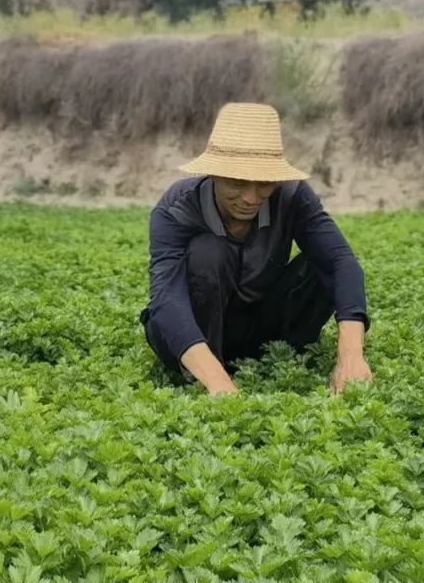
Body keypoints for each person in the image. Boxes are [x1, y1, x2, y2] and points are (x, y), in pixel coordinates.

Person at [139, 102, 373, 396]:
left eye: (263, 184)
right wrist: (218, 382)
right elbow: (167, 300)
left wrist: (351, 357)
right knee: (208, 252)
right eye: (237, 183)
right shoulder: (177, 208)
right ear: (214, 174)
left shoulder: (292, 196)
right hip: (197, 331)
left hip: (257, 326)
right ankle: (207, 370)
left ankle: (275, 357)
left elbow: (341, 262)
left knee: (321, 263)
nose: (251, 198)